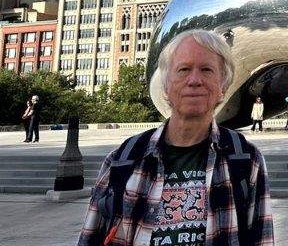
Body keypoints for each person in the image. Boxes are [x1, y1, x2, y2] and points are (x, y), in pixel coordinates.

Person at [76, 29, 274, 246]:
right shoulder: (123, 158)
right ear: (166, 86)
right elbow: (90, 237)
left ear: (223, 87)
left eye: (207, 70)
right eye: (183, 69)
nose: (194, 80)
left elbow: (262, 240)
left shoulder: (247, 160)